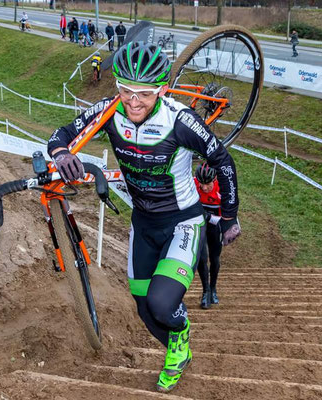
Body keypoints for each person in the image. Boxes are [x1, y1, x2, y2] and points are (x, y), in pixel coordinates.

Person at [46, 41, 241, 393]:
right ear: (117, 86)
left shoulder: (181, 120)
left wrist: (229, 218)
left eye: (145, 94)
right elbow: (61, 134)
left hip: (183, 219)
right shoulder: (109, 110)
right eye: (126, 91)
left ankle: (180, 334)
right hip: (144, 222)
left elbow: (224, 162)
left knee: (162, 303)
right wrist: (61, 153)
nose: (134, 101)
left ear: (162, 91)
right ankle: (178, 351)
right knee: (143, 308)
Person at [194, 163, 223, 309]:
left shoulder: (222, 188)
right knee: (202, 257)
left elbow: (229, 212)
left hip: (215, 225)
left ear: (215, 179)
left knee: (214, 258)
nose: (204, 188)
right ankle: (205, 291)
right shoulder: (193, 184)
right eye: (201, 184)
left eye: (208, 184)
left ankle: (213, 288)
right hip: (200, 224)